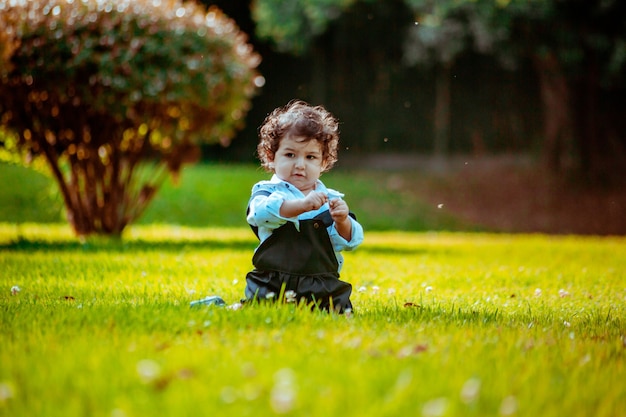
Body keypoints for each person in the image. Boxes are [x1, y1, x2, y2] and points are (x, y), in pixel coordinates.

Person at [244, 99, 364, 313]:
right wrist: (300, 206)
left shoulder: (330, 199)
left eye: (310, 157)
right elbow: (260, 214)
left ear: (323, 163)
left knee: (338, 310)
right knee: (260, 308)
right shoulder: (266, 192)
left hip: (320, 283)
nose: (300, 165)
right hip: (272, 280)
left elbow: (350, 242)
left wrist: (343, 221)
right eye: (290, 155)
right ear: (272, 157)